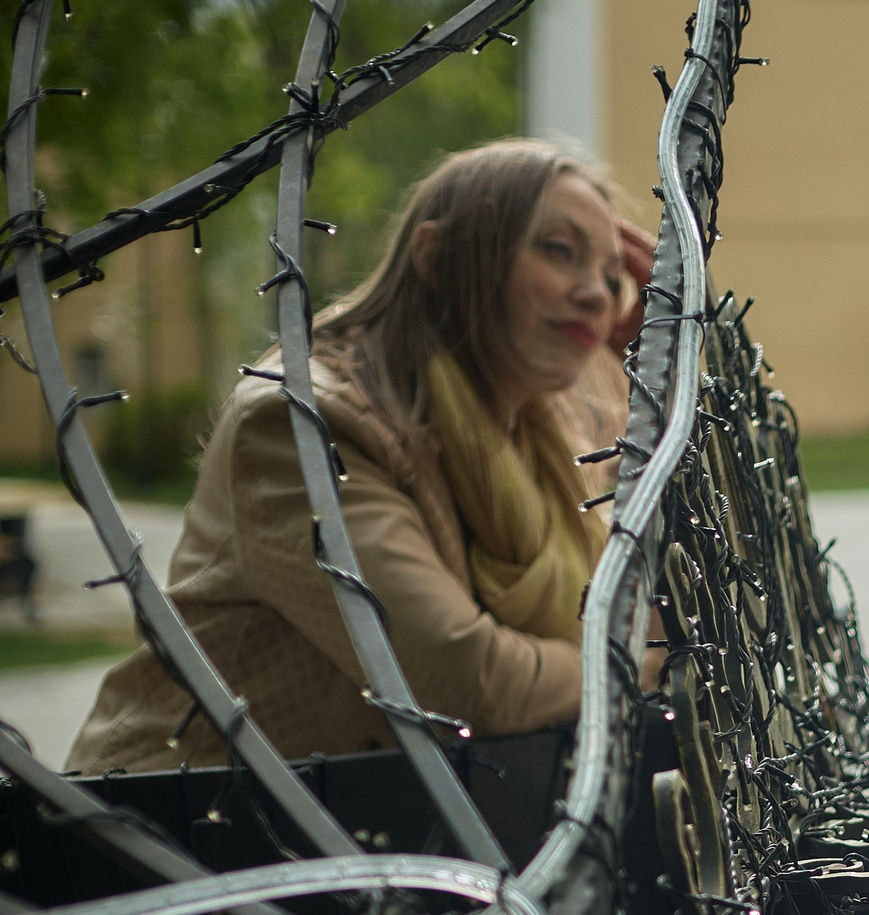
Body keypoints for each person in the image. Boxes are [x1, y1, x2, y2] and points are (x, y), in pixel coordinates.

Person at [69, 139, 650, 773]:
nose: (597, 293)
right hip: (185, 833)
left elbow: (657, 587)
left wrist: (657, 371)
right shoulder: (304, 421)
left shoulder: (543, 442)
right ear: (437, 256)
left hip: (373, 839)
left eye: (612, 276)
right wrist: (634, 664)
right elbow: (466, 682)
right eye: (560, 251)